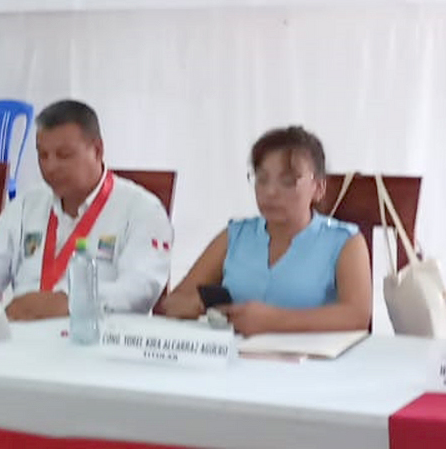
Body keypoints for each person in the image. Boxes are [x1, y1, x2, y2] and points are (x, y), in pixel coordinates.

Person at [0, 100, 173, 321]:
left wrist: (69, 303)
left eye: (64, 155)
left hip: (95, 342)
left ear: (98, 150)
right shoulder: (29, 204)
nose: (50, 167)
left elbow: (140, 288)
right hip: (21, 340)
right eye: (42, 155)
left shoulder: (140, 210)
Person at [159, 126, 371, 335]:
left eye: (288, 181)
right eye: (261, 179)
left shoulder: (345, 241)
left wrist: (274, 321)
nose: (270, 192)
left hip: (311, 356)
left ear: (318, 187)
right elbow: (173, 303)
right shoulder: (235, 236)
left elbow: (357, 316)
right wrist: (197, 305)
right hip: (236, 354)